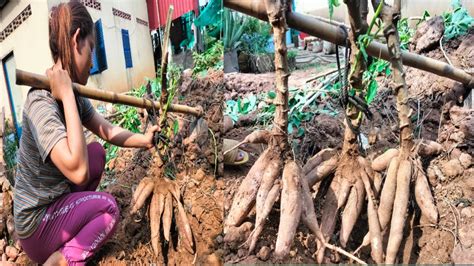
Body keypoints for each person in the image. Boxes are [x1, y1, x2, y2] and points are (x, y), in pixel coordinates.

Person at [13, 1, 159, 265]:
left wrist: (144, 140)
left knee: (96, 154)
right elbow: (78, 171)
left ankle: (71, 228)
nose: (92, 60)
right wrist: (67, 95)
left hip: (56, 204)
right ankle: (60, 260)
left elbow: (107, 129)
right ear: (76, 40)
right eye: (91, 48)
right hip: (36, 225)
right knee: (107, 210)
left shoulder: (76, 96)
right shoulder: (41, 103)